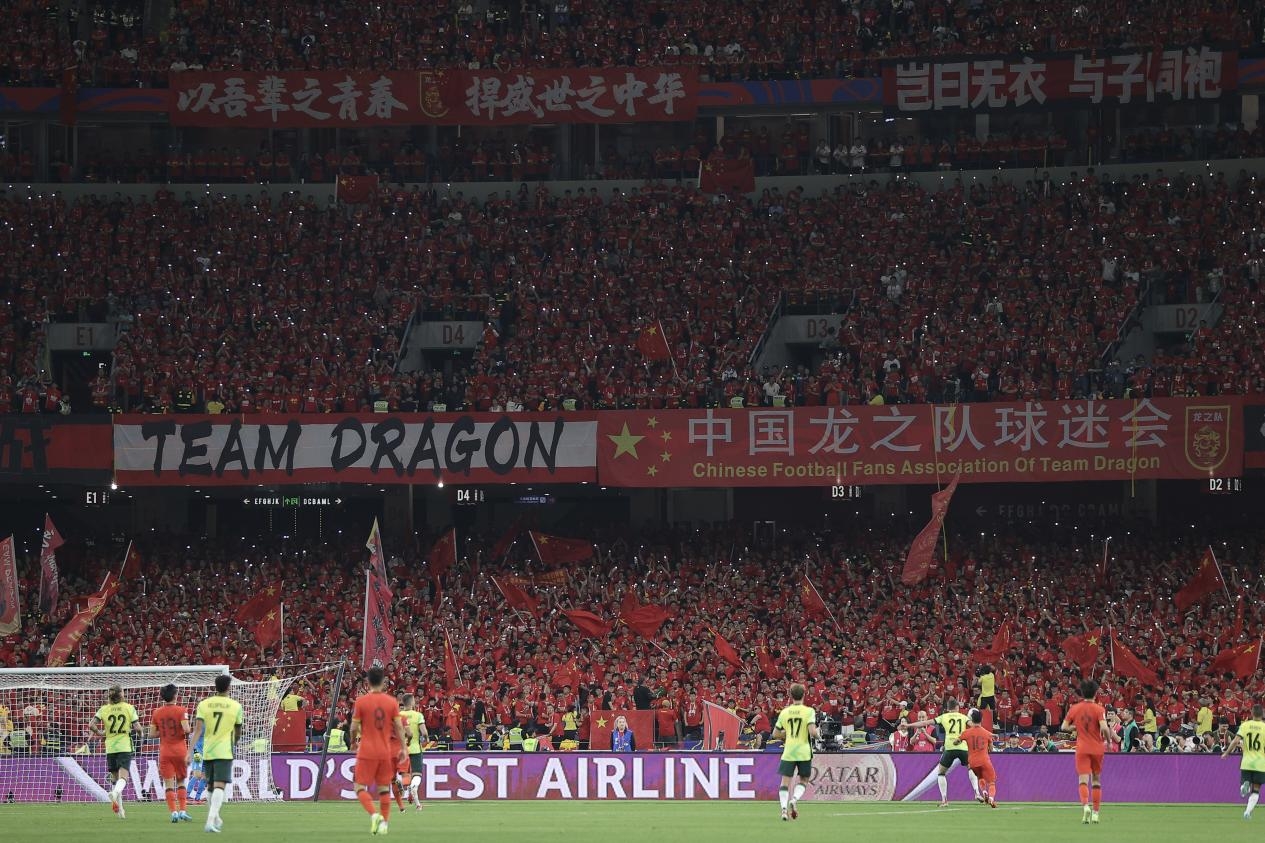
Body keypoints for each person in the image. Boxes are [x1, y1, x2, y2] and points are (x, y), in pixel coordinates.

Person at [351, 666, 408, 836]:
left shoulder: (361, 701)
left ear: (367, 682)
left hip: (366, 750)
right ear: (383, 682)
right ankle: (384, 824)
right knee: (384, 789)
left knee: (359, 786)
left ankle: (374, 814)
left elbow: (353, 727)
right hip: (385, 751)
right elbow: (399, 727)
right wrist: (404, 747)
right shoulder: (391, 702)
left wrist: (353, 742)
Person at [188, 673, 243, 834]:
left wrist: (189, 751)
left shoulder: (204, 704)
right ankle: (210, 820)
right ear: (228, 687)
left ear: (215, 686)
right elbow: (238, 732)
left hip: (206, 750)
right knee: (219, 785)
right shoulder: (235, 706)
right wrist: (234, 742)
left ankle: (215, 817)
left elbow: (197, 730)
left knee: (210, 785)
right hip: (224, 750)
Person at [905, 699, 979, 806]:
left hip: (949, 748)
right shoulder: (963, 717)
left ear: (948, 708)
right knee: (971, 768)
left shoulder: (944, 717)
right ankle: (976, 792)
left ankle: (944, 800)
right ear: (957, 707)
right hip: (962, 747)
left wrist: (908, 725)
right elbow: (974, 726)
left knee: (941, 773)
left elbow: (925, 723)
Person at [1061, 678, 1109, 824]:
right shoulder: (1099, 709)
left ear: (1082, 693)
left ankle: (1085, 806)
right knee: (1096, 780)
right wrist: (1108, 740)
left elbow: (1064, 727)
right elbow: (1104, 728)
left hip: (1082, 748)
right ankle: (1095, 813)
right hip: (1097, 748)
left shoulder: (1074, 708)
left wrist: (1076, 727)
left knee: (1083, 780)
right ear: (1095, 693)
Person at [772, 682, 819, 821]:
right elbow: (812, 732)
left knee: (785, 782)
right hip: (804, 751)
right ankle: (794, 799)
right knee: (804, 780)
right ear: (804, 695)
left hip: (789, 751)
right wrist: (818, 734)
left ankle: (784, 810)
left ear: (791, 695)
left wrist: (788, 733)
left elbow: (775, 734)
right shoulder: (809, 711)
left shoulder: (784, 712)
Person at [92, 685, 138, 820]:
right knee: (123, 778)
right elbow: (137, 726)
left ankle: (120, 811)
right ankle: (115, 792)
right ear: (121, 695)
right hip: (124, 746)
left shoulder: (103, 709)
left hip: (110, 748)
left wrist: (99, 732)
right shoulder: (128, 707)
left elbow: (91, 725)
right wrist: (141, 733)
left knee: (115, 779)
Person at [149, 683, 192, 823]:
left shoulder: (156, 712)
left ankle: (173, 812)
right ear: (175, 695)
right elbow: (186, 729)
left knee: (168, 784)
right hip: (180, 751)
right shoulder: (181, 710)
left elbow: (151, 734)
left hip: (165, 752)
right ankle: (183, 811)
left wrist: (164, 731)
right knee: (181, 781)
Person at [1222, 703, 1265, 819]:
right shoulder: (1264, 727)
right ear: (1262, 714)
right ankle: (1247, 812)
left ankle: (1244, 786)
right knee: (1256, 790)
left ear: (1251, 713)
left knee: (1244, 783)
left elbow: (1236, 741)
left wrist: (1226, 753)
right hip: (1260, 763)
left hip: (1247, 762)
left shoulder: (1245, 725)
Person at [962, 708, 997, 807]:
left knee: (980, 777)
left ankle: (984, 791)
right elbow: (991, 749)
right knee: (991, 782)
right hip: (984, 760)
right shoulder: (986, 733)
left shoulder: (967, 732)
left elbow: (958, 740)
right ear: (981, 719)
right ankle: (991, 798)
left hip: (973, 762)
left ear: (971, 720)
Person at [400, 694, 427, 811]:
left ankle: (411, 795)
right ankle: (414, 786)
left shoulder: (397, 715)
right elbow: (424, 732)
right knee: (417, 774)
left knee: (405, 773)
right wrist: (426, 739)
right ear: (412, 702)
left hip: (401, 749)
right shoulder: (418, 715)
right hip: (415, 748)